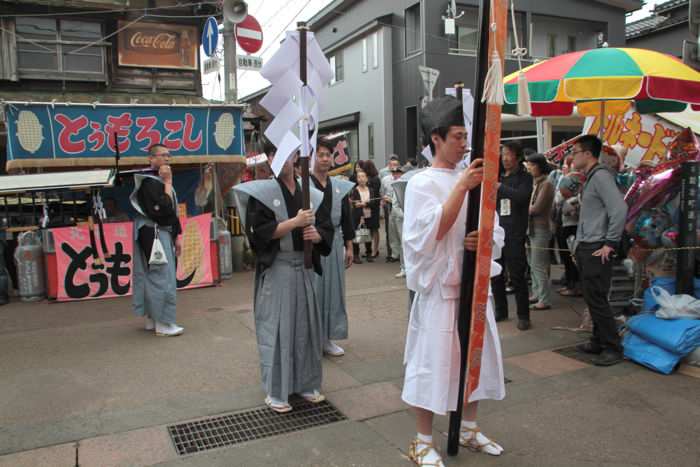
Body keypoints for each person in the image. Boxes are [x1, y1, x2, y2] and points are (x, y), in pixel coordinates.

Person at [402, 96, 506, 467]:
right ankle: (422, 439)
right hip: (441, 291)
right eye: (458, 137)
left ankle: (467, 427)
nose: (464, 144)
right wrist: (462, 187)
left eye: (466, 137)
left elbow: (493, 228)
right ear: (436, 138)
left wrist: (483, 240)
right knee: (432, 362)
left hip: (473, 286)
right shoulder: (422, 183)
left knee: (476, 359)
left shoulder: (476, 177)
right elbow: (425, 236)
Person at [233, 151, 334, 413]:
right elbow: (259, 234)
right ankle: (276, 390)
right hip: (279, 269)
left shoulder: (310, 192)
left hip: (304, 269)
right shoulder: (263, 192)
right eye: (278, 155)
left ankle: (306, 383)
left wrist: (318, 235)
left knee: (306, 329)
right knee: (278, 330)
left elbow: (326, 228)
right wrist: (295, 222)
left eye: (289, 155)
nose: (285, 161)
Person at [572, 135, 628, 366]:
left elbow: (619, 209)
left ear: (587, 154)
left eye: (575, 151)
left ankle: (612, 347)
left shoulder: (602, 176)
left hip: (597, 246)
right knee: (592, 296)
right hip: (588, 244)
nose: (571, 156)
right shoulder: (593, 177)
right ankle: (597, 340)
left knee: (597, 298)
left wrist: (610, 243)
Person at [130, 144, 184, 337]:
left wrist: (177, 235)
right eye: (163, 155)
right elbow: (164, 210)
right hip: (153, 232)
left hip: (158, 232)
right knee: (162, 275)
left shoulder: (156, 182)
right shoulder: (148, 182)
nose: (167, 159)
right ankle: (163, 323)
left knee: (152, 273)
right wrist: (168, 181)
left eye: (169, 155)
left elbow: (171, 214)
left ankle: (153, 319)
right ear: (151, 159)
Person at [311, 140, 356, 357]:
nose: (325, 159)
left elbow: (347, 217)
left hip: (336, 241)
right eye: (320, 155)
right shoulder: (303, 185)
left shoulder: (338, 185)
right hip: (312, 244)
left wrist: (349, 246)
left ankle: (328, 338)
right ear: (312, 158)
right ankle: (312, 339)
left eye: (328, 155)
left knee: (334, 291)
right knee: (314, 291)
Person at [491, 141, 533, 330]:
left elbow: (522, 197)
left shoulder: (525, 178)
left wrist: (499, 186)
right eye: (503, 154)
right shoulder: (499, 175)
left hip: (515, 232)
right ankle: (501, 310)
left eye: (508, 154)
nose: (505, 158)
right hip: (497, 231)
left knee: (517, 275)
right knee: (497, 273)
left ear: (517, 156)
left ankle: (523, 315)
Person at [525, 153, 555, 312]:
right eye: (528, 164)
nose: (529, 168)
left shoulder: (547, 184)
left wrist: (522, 207)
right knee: (532, 263)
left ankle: (544, 298)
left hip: (541, 227)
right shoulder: (536, 182)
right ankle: (537, 293)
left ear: (540, 166)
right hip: (531, 227)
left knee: (538, 265)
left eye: (532, 164)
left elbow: (537, 208)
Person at [555, 173, 584, 297]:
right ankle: (570, 283)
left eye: (564, 190)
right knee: (566, 258)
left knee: (572, 259)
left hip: (572, 228)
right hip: (565, 227)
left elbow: (573, 214)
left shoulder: (577, 200)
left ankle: (575, 286)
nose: (561, 193)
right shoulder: (564, 199)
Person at [350, 171, 379, 263]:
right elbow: (355, 204)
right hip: (358, 216)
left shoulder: (371, 190)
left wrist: (364, 203)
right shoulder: (354, 190)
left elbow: (373, 202)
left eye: (363, 176)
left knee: (368, 235)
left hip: (369, 215)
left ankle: (369, 254)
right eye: (359, 177)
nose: (361, 179)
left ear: (366, 178)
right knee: (357, 235)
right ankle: (356, 255)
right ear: (357, 179)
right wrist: (360, 205)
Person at [380, 156, 401, 263]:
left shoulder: (403, 178)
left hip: (400, 207)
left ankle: (401, 254)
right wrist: (384, 200)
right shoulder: (385, 179)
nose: (394, 167)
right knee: (390, 230)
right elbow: (382, 193)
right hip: (388, 206)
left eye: (396, 165)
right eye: (392, 165)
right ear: (388, 166)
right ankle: (393, 253)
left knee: (400, 230)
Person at [361, 160, 382, 257]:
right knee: (368, 228)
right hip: (368, 206)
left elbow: (374, 193)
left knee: (374, 228)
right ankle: (369, 250)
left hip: (373, 206)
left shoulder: (375, 179)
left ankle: (375, 250)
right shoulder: (371, 178)